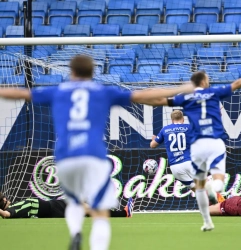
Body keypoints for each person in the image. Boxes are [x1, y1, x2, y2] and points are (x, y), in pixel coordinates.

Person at [0, 55, 194, 250]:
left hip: (65, 156)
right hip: (93, 154)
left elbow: (21, 94)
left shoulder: (58, 91)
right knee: (100, 211)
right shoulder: (102, 91)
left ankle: (76, 233)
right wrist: (181, 89)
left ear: (72, 72)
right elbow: (143, 95)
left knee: (73, 201)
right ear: (93, 72)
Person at [143, 65, 241, 231]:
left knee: (198, 189)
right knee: (214, 181)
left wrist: (139, 95)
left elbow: (156, 105)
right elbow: (237, 83)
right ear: (204, 81)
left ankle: (209, 218)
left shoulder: (179, 109)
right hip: (205, 148)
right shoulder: (212, 96)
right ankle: (219, 198)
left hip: (176, 166)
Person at [0, 194, 134, 219]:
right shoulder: (10, 211)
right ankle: (123, 213)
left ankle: (122, 213)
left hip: (55, 205)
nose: (6, 198)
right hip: (55, 208)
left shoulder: (14, 206)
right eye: (3, 198)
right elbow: (6, 214)